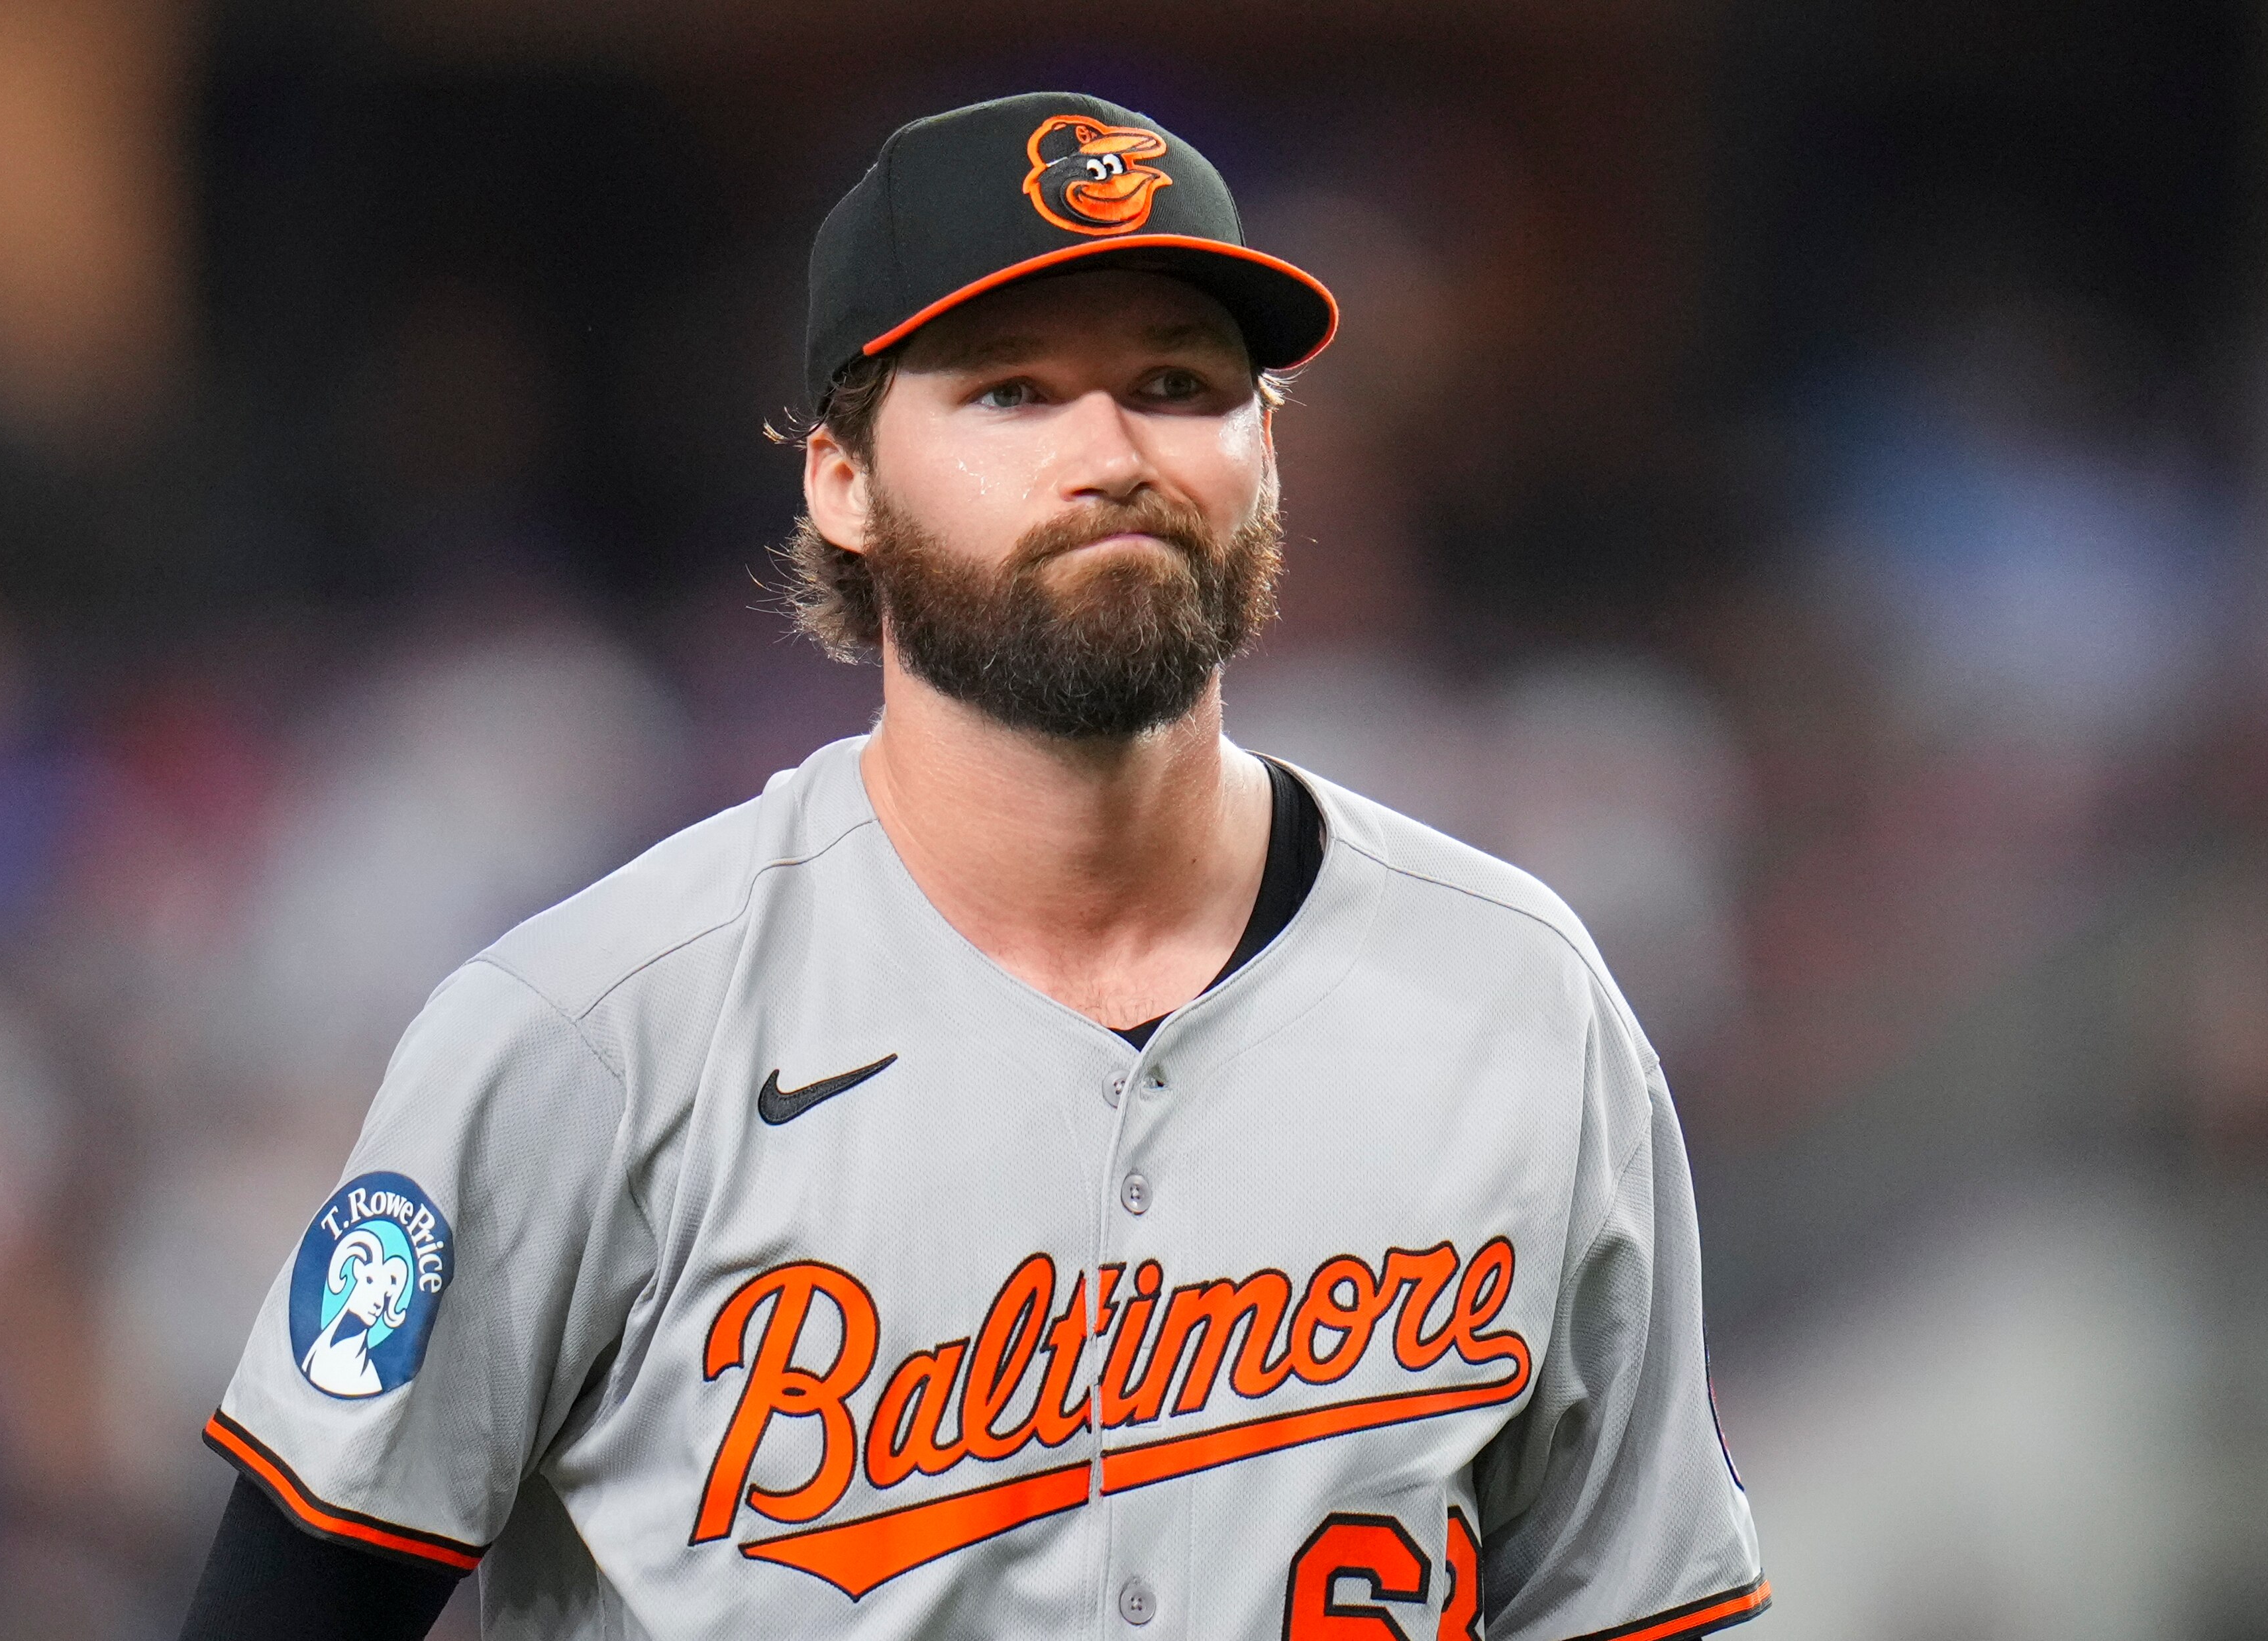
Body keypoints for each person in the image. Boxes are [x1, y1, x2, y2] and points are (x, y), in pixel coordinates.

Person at [181, 91, 1766, 1641]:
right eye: (1011, 392)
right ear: (843, 482)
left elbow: (1639, 1611)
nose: (1113, 452)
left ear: (1269, 456)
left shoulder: (1514, 997)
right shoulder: (594, 1037)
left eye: (1178, 383)